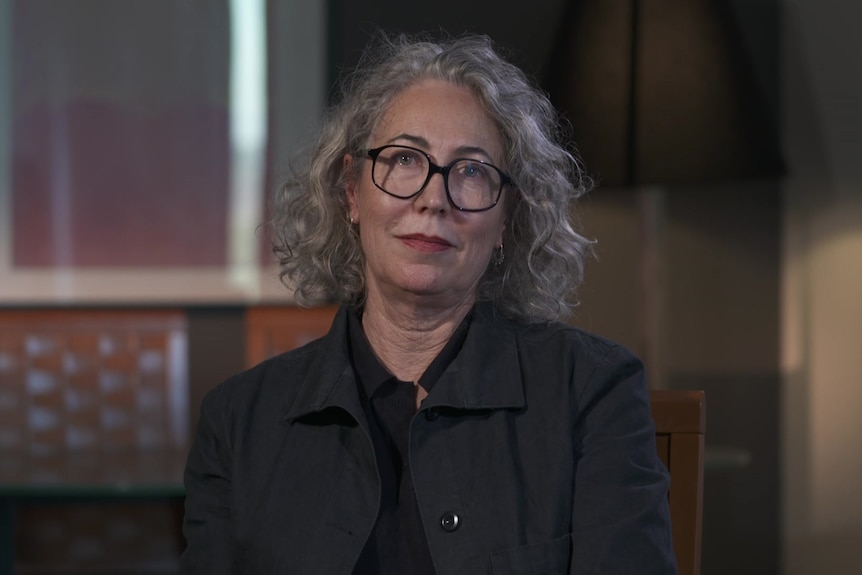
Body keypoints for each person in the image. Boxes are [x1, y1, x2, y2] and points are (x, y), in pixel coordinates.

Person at [181, 33, 676, 574]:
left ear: (506, 217)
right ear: (351, 192)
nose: (433, 198)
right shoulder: (237, 421)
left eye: (471, 171)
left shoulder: (592, 393)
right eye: (404, 160)